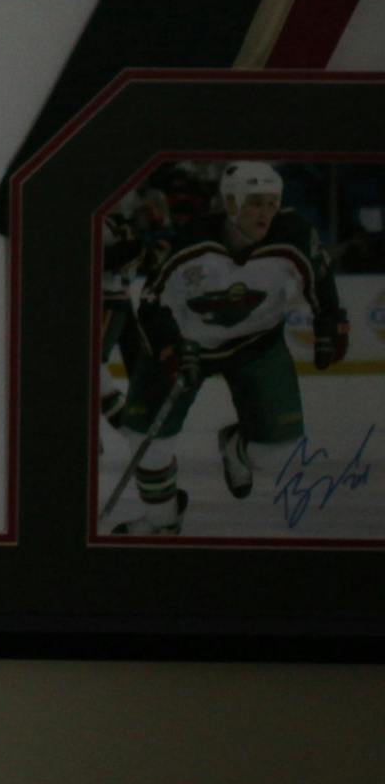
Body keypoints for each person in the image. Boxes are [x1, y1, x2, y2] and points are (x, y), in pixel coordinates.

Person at [106, 159, 347, 534]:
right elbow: (152, 302)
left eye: (270, 203)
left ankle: (237, 444)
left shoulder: (293, 235)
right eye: (254, 203)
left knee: (277, 456)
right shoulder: (190, 242)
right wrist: (170, 347)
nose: (264, 213)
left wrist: (330, 319)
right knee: (144, 439)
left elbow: (320, 277)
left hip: (255, 343)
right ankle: (162, 521)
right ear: (231, 203)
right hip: (186, 345)